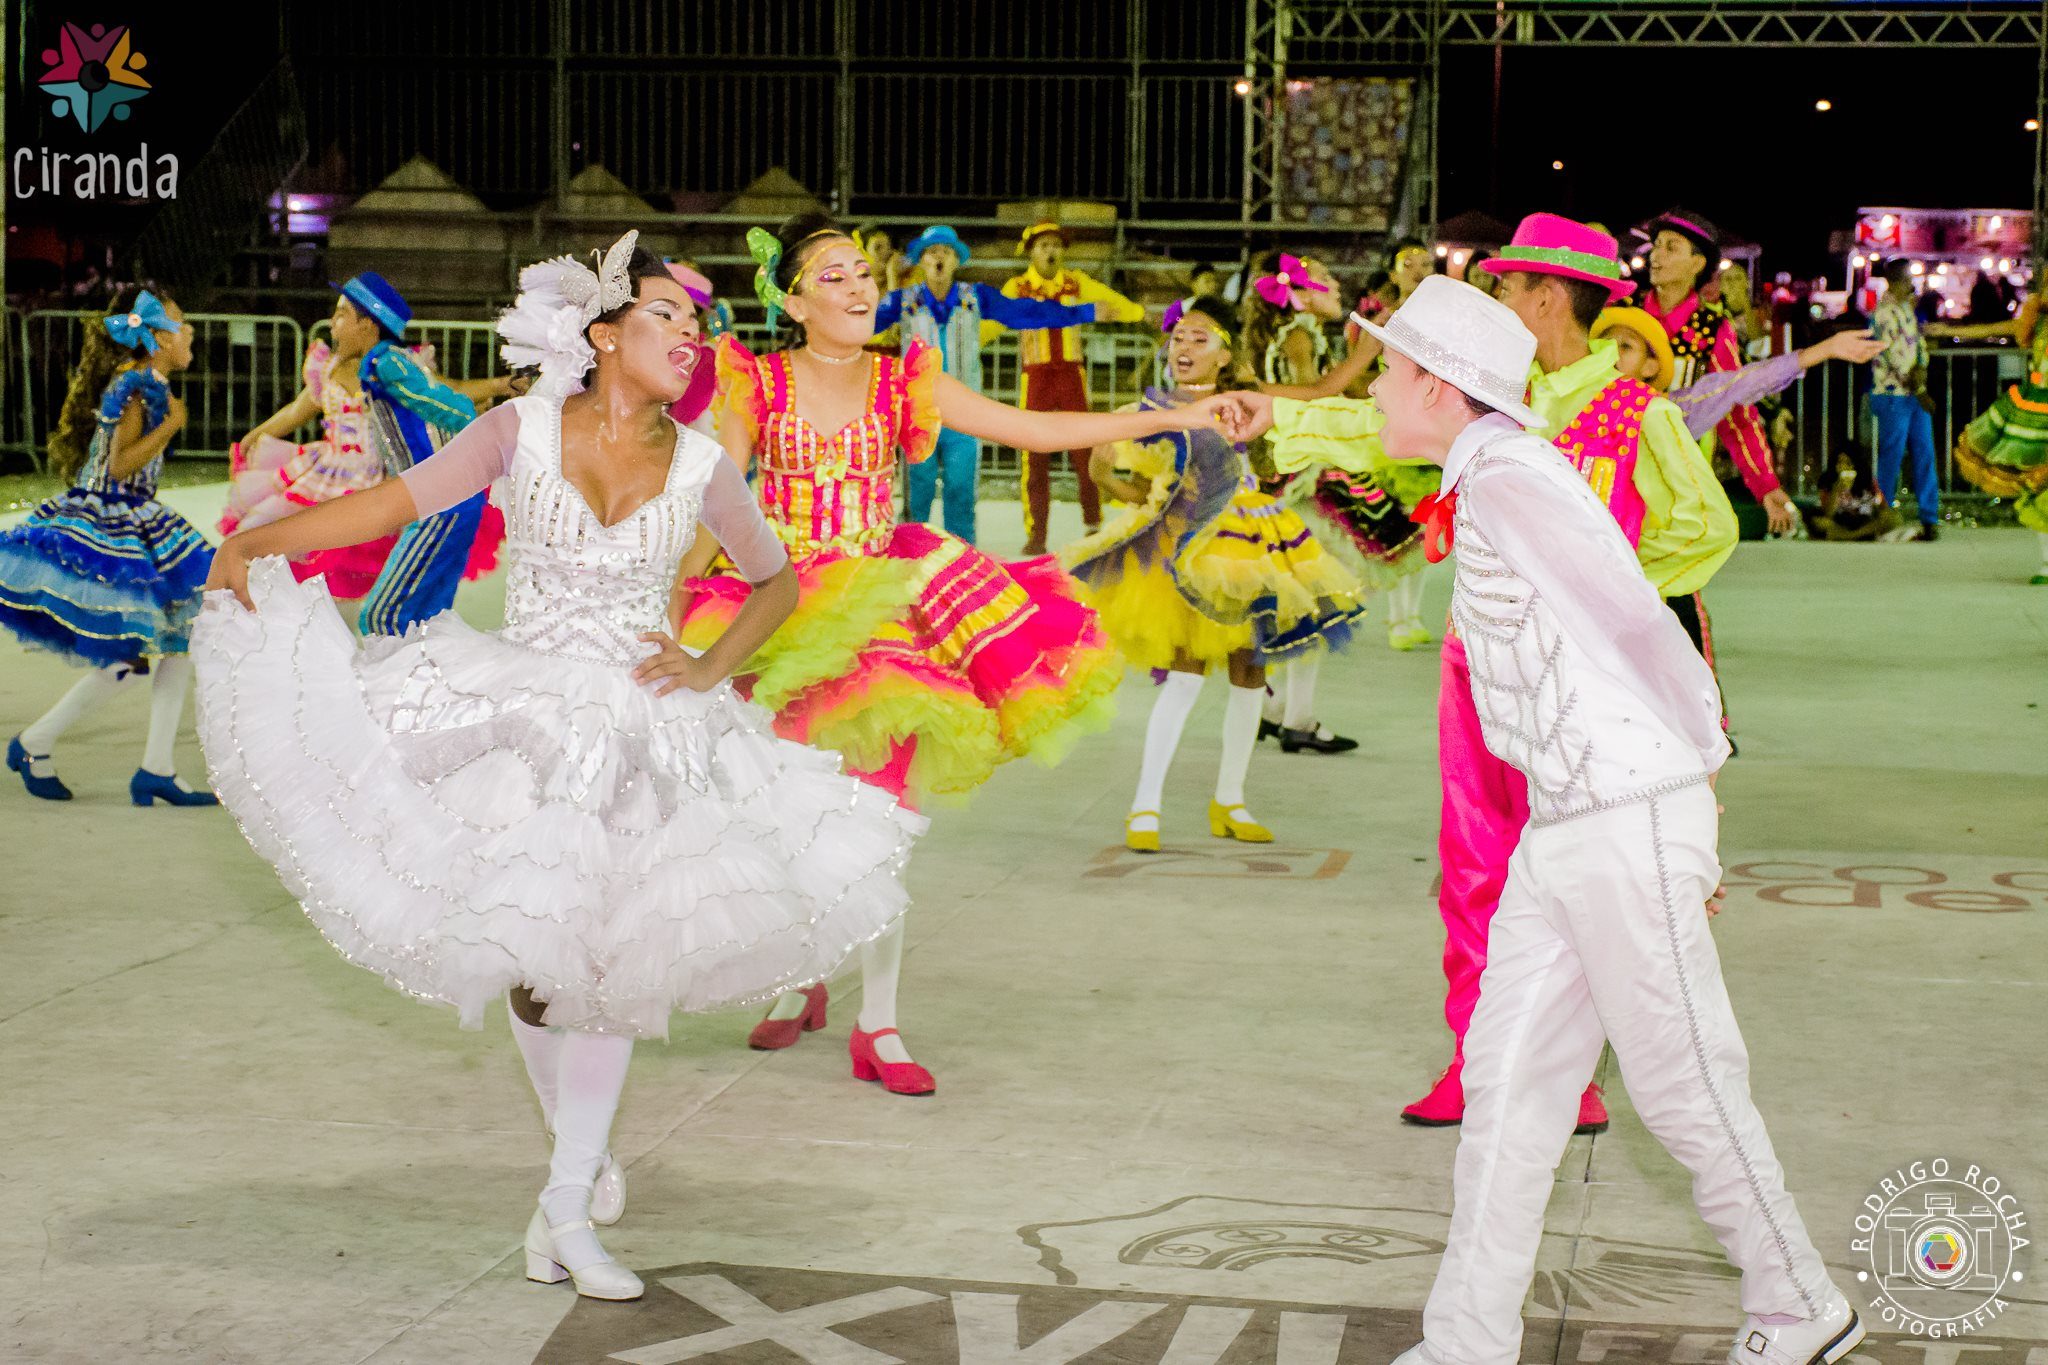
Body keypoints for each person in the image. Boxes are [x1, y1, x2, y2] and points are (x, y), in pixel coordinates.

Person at [193, 233, 926, 1305]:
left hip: (643, 732)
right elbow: (395, 505)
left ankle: (569, 1203)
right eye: (667, 316)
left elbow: (775, 581)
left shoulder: (704, 465)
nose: (690, 335)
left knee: (609, 973)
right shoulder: (519, 429)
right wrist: (260, 544)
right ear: (604, 333)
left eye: (697, 323)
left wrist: (708, 664)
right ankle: (573, 1165)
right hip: (523, 718)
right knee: (534, 971)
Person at [1231, 274, 1866, 1365]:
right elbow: (1358, 439)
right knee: (1509, 1082)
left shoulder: (1514, 480)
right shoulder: (1489, 474)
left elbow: (1639, 617)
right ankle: (1465, 1342)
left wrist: (1697, 779)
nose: (1376, 386)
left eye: (1389, 369)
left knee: (1680, 1079)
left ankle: (1801, 1301)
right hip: (1567, 824)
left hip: (1625, 815)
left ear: (1437, 388)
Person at [679, 215, 1235, 1092]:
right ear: (793, 300)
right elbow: (719, 503)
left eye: (863, 271)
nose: (857, 285)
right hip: (783, 615)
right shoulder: (758, 381)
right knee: (786, 814)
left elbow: (1032, 428)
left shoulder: (905, 378)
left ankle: (879, 1021)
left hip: (890, 617)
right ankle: (802, 975)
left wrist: (1180, 414)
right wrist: (670, 602)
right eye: (832, 275)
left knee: (881, 819)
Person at [1066, 298, 1364, 849]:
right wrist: (1151, 501)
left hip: (1255, 544)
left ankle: (1230, 800)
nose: (1183, 347)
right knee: (1186, 675)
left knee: (1250, 675)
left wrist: (1369, 348)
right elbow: (1100, 469)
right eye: (1178, 337)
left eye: (1199, 339)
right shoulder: (1148, 408)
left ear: (1225, 354)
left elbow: (1322, 392)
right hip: (1192, 552)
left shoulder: (1245, 401)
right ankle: (1145, 807)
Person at [1, 287, 218, 805]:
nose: (189, 330)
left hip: (136, 516)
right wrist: (171, 426)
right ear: (156, 337)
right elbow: (119, 467)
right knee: (129, 659)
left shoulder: (148, 382)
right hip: (109, 523)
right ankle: (35, 742)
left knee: (178, 641)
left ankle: (155, 768)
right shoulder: (136, 386)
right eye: (180, 322)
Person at [225, 273, 515, 610]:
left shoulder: (392, 365)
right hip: (327, 473)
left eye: (341, 314)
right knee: (303, 555)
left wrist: (500, 385)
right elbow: (296, 411)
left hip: (376, 475)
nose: (332, 324)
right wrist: (253, 437)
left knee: (364, 566)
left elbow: (446, 392)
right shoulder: (328, 368)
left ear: (367, 324)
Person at [873, 224, 1098, 544]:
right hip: (918, 412)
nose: (939, 257)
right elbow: (863, 324)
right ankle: (912, 559)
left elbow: (1026, 312)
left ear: (956, 261)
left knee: (962, 491)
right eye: (932, 252)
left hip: (965, 413)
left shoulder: (975, 296)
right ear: (922, 261)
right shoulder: (902, 300)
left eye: (946, 252)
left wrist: (1084, 311)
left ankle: (962, 559)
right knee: (916, 495)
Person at [1238, 252, 1366, 751]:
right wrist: (1365, 352)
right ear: (1302, 294)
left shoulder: (1297, 332)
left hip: (1292, 473)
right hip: (1302, 476)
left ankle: (1275, 710)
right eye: (1326, 279)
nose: (1336, 286)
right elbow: (1315, 393)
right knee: (1315, 598)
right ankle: (1298, 718)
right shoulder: (1300, 334)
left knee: (1301, 596)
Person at [1639, 209, 1798, 537]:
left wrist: (1765, 484)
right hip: (1619, 466)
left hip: (1680, 475)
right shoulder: (1626, 315)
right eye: (1656, 246)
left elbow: (1736, 409)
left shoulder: (1713, 330)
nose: (1656, 255)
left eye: (1670, 247)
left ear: (1697, 264)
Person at [1001, 222, 1151, 554]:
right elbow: (991, 321)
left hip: (1071, 374)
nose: (1051, 251)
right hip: (1036, 376)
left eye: (1056, 245)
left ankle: (1093, 522)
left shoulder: (1076, 282)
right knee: (1034, 456)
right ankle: (1037, 533)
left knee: (1084, 449)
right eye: (1044, 245)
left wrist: (1137, 313)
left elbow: (1110, 300)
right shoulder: (1017, 287)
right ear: (1031, 252)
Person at [1592, 307, 1887, 441]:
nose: (1611, 352)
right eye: (1603, 344)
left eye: (1625, 346)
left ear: (1651, 367)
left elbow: (1741, 382)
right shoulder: (1576, 398)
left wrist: (1824, 350)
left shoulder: (1666, 411)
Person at [1930, 288, 2048, 581]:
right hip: (2035, 414)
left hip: (2036, 413)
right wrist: (1949, 330)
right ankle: (2047, 563)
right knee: (2037, 488)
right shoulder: (2037, 322)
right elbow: (1996, 328)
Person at [1865, 258, 1941, 541]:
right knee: (1892, 457)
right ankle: (1883, 515)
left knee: (1924, 453)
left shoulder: (1905, 310)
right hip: (1893, 394)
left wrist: (1921, 367)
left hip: (1909, 393)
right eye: (1908, 278)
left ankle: (1929, 516)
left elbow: (1917, 345)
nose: (1912, 283)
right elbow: (1895, 359)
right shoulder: (1884, 313)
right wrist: (1920, 389)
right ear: (1897, 281)